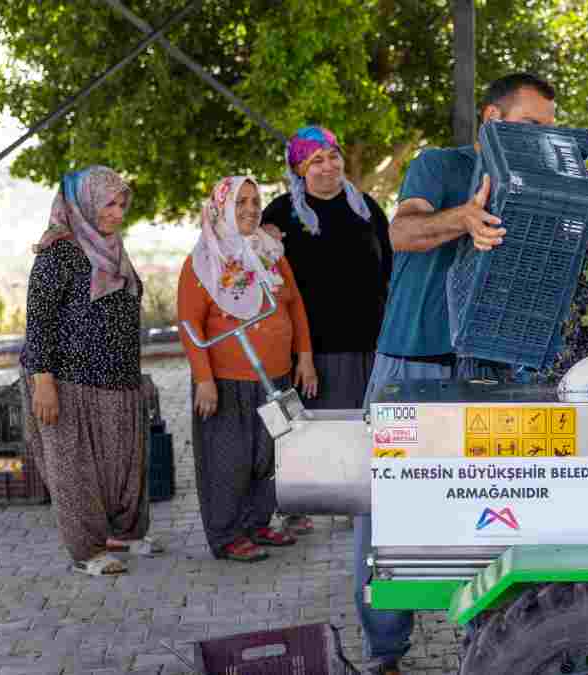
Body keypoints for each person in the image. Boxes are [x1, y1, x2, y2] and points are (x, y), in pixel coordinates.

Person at [355, 72, 556, 675]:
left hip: (492, 367)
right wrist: (465, 217)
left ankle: (491, 638)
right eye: (533, 125)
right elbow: (403, 232)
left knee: (491, 504)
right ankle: (386, 650)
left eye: (551, 128)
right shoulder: (440, 165)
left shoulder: (542, 186)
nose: (545, 137)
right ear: (494, 119)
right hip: (411, 359)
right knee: (384, 508)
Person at [19, 165, 162, 577]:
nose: (117, 213)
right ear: (82, 205)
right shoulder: (60, 251)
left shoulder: (112, 248)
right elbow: (40, 320)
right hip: (69, 381)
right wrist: (42, 381)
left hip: (117, 379)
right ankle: (87, 552)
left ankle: (121, 532)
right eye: (108, 204)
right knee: (75, 469)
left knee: (121, 464)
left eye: (121, 203)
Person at [260, 126, 392, 537]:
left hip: (368, 338)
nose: (327, 166)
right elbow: (270, 282)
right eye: (315, 160)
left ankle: (359, 498)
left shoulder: (366, 207)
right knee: (313, 427)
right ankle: (301, 502)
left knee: (361, 423)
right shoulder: (280, 215)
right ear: (299, 169)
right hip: (311, 347)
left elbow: (388, 267)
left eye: (332, 155)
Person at [178, 176, 317, 562]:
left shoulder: (270, 251)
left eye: (255, 201)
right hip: (227, 382)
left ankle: (258, 523)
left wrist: (304, 358)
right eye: (240, 202)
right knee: (229, 460)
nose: (251, 209)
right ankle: (227, 535)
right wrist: (204, 379)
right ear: (222, 207)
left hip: (276, 377)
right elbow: (190, 324)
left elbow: (295, 307)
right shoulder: (203, 261)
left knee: (270, 456)